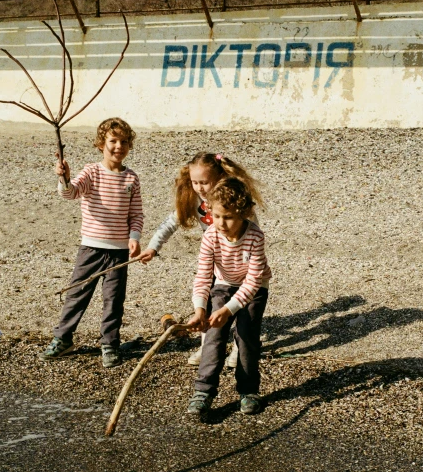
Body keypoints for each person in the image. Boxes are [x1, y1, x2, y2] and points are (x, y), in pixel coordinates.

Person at [138, 152, 263, 368]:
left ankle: (237, 348)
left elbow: (252, 231)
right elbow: (170, 223)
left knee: (243, 309)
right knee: (208, 302)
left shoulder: (234, 199)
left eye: (204, 182)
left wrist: (246, 259)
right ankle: (209, 347)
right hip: (215, 255)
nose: (200, 188)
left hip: (241, 256)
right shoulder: (194, 198)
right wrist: (152, 248)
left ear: (219, 177)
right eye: (195, 182)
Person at [39, 117, 144, 368]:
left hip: (119, 251)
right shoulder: (92, 171)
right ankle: (63, 338)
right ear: (100, 144)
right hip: (91, 247)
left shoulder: (131, 178)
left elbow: (136, 214)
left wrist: (134, 238)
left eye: (124, 142)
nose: (119, 146)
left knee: (114, 300)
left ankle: (110, 344)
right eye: (113, 141)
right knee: (77, 294)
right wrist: (63, 177)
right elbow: (70, 193)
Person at [185, 177, 272, 416]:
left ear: (244, 213)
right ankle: (203, 391)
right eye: (217, 216)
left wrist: (229, 310)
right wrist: (200, 309)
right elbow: (203, 276)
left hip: (254, 290)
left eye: (229, 217)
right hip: (224, 285)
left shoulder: (255, 236)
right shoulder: (211, 236)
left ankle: (248, 391)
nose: (221, 223)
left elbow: (253, 282)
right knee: (213, 336)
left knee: (246, 338)